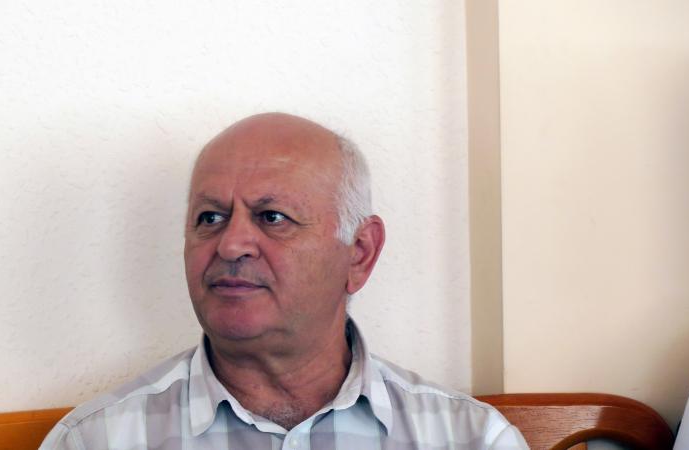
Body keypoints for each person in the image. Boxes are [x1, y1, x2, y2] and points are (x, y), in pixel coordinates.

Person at [39, 113, 528, 449]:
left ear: (360, 252)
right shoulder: (98, 439)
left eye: (272, 217)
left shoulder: (469, 438)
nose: (231, 245)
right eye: (210, 217)